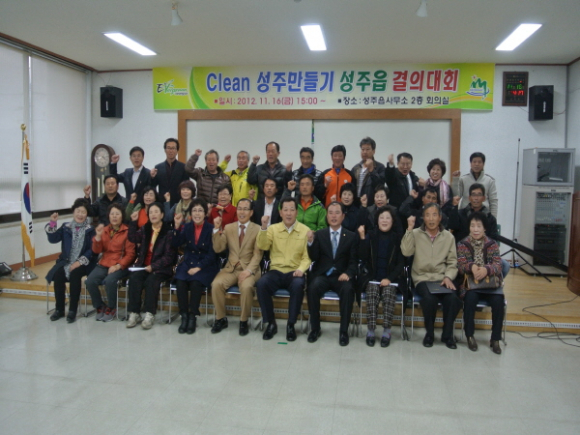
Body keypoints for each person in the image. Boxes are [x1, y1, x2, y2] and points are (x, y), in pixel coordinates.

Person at [401, 203, 460, 349]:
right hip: (422, 278)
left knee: (453, 299)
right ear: (423, 218)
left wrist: (448, 277)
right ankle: (430, 334)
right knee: (429, 299)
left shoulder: (448, 237)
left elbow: (453, 262)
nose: (431, 219)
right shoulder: (415, 233)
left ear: (440, 217)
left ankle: (447, 335)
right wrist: (409, 229)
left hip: (441, 278)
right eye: (427, 215)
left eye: (434, 215)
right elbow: (406, 252)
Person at [256, 197, 311, 341]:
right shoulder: (273, 229)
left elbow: (307, 257)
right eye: (285, 210)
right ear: (280, 213)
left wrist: (301, 269)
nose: (288, 213)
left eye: (292, 210)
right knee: (261, 284)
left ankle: (291, 325)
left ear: (297, 212)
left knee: (298, 285)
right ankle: (271, 323)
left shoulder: (305, 231)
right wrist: (263, 227)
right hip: (276, 271)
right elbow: (263, 246)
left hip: (295, 271)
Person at [306, 202, 358, 346]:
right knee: (312, 288)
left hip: (341, 275)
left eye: (337, 213)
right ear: (327, 216)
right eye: (330, 213)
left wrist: (348, 273)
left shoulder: (351, 236)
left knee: (348, 290)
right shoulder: (320, 234)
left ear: (343, 216)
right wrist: (310, 243)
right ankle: (315, 328)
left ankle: (343, 331)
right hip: (323, 274)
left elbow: (354, 261)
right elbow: (314, 257)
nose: (333, 216)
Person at [210, 198, 263, 336]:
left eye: (245, 209)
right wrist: (216, 229)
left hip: (250, 268)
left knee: (246, 287)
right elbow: (218, 248)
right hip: (231, 268)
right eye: (239, 208)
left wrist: (248, 271)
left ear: (251, 212)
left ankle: (243, 320)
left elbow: (257, 255)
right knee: (216, 284)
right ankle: (220, 318)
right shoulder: (229, 228)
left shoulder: (258, 229)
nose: (242, 212)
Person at [456, 212, 504, 354]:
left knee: (498, 301)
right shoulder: (462, 244)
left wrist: (486, 270)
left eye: (478, 226)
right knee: (469, 300)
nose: (475, 229)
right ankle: (470, 336)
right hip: (471, 285)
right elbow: (460, 266)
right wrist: (471, 267)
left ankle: (495, 339)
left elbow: (498, 265)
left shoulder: (492, 244)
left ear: (485, 228)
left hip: (490, 285)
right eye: (472, 226)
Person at [357, 205, 404, 348]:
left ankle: (387, 331)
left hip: (391, 279)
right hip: (373, 278)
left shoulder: (397, 238)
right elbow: (362, 257)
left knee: (389, 293)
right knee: (372, 292)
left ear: (392, 221)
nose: (384, 220)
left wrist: (389, 278)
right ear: (377, 220)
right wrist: (362, 238)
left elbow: (401, 263)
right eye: (381, 217)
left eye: (387, 218)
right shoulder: (371, 235)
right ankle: (371, 331)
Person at [172, 198, 220, 334]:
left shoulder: (211, 228)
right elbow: (176, 244)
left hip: (206, 265)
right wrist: (177, 226)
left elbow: (212, 254)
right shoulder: (187, 227)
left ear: (205, 213)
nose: (197, 213)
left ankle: (192, 316)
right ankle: (184, 315)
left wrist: (198, 267)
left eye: (200, 210)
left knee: (195, 282)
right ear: (190, 213)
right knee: (180, 281)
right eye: (194, 210)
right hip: (189, 262)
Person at [126, 202, 177, 329]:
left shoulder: (168, 232)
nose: (153, 214)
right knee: (134, 278)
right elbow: (132, 238)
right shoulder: (145, 229)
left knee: (151, 281)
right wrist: (133, 222)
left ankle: (150, 313)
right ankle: (134, 312)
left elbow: (169, 257)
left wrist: (153, 266)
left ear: (162, 215)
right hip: (144, 266)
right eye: (151, 212)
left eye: (156, 212)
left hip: (161, 269)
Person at [45, 198, 96, 323]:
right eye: (78, 211)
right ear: (73, 212)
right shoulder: (65, 227)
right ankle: (59, 309)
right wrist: (52, 223)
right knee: (58, 275)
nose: (80, 215)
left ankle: (72, 310)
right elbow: (53, 239)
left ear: (86, 214)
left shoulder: (90, 229)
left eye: (83, 212)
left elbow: (92, 250)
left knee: (75, 274)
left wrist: (79, 262)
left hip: (84, 262)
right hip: (66, 261)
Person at [85, 203, 136, 322]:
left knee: (110, 281)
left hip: (121, 265)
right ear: (108, 216)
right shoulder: (104, 230)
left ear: (122, 216)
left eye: (117, 214)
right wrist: (97, 238)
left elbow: (131, 254)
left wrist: (118, 265)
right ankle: (99, 305)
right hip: (104, 263)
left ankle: (112, 307)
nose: (114, 216)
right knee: (90, 281)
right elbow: (97, 251)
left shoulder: (128, 231)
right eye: (112, 214)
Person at [150, 138, 192, 207]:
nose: (171, 151)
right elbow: (153, 186)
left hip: (178, 203)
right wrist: (152, 177)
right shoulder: (158, 167)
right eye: (168, 148)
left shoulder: (183, 167)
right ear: (165, 150)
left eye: (173, 148)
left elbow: (186, 186)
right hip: (162, 203)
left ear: (177, 150)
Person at [457, 152, 498, 217]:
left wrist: (493, 218)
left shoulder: (490, 180)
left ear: (483, 164)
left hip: (484, 215)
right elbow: (456, 197)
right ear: (470, 164)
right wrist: (455, 180)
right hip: (465, 215)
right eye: (474, 162)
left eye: (479, 162)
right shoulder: (463, 179)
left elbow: (493, 201)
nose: (476, 164)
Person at [351, 137, 386, 206]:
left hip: (371, 204)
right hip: (356, 203)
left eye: (367, 149)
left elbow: (380, 185)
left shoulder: (380, 167)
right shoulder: (356, 168)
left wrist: (372, 170)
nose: (365, 152)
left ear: (373, 151)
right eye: (363, 149)